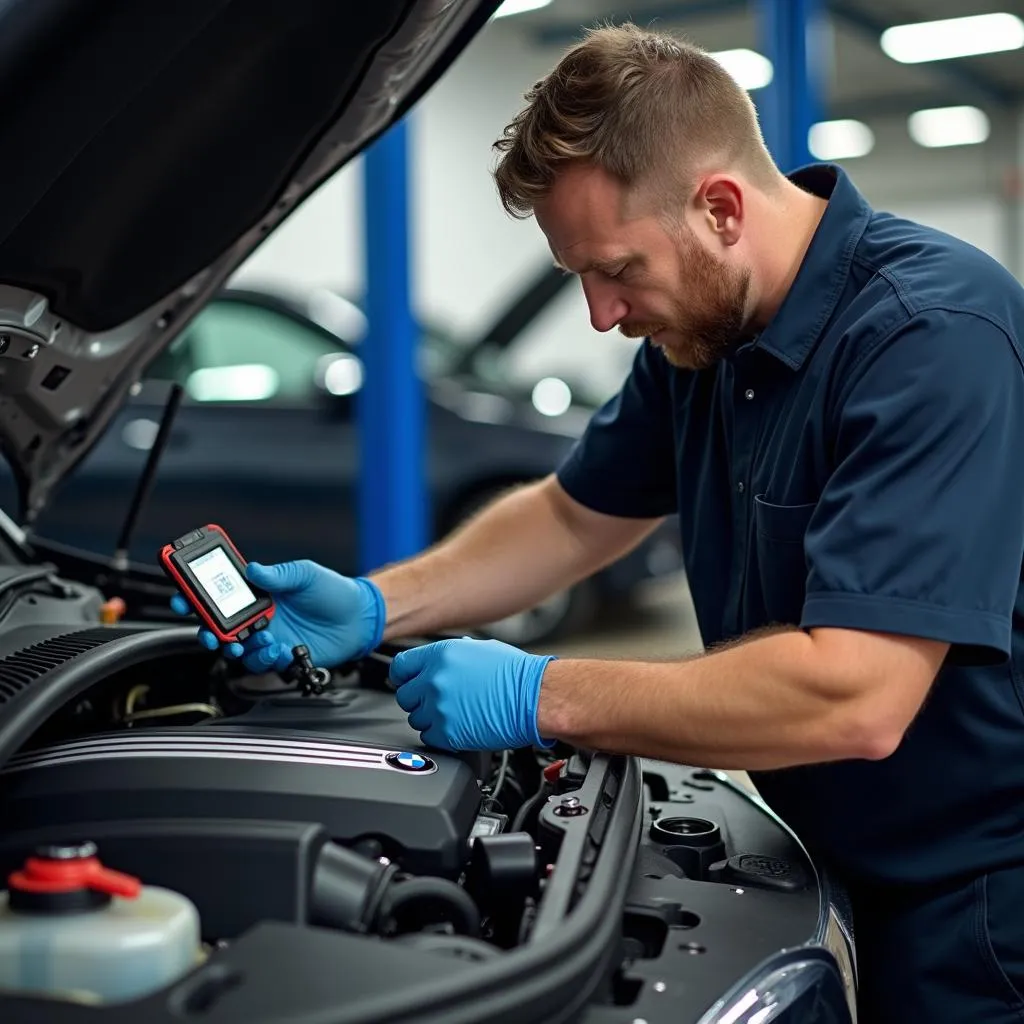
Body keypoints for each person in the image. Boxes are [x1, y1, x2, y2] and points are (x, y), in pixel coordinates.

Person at [175, 23, 1024, 1023]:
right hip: (829, 849)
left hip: (973, 894)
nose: (599, 314)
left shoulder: (931, 338)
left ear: (717, 207)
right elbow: (571, 517)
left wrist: (545, 691)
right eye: (581, 273)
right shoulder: (704, 342)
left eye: (615, 268)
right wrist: (373, 603)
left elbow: (856, 696)